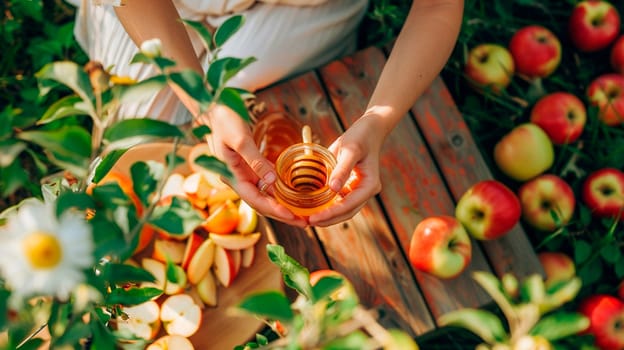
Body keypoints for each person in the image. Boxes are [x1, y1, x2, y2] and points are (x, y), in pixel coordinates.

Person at [67, 0, 464, 228]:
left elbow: (437, 6)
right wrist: (202, 105)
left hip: (299, 7)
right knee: (131, 149)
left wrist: (377, 121)